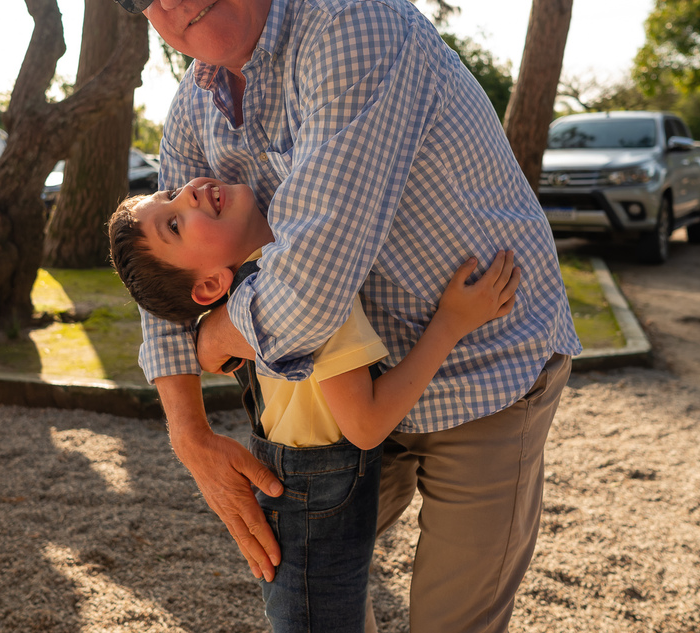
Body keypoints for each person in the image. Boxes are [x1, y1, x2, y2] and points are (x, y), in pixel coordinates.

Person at [95, 0, 581, 632]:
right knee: (304, 595)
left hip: (486, 366)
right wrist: (189, 431)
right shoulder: (192, 109)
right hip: (352, 401)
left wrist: (220, 331)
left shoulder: (352, 30)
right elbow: (161, 279)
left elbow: (313, 287)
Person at [109, 176, 521, 632]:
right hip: (315, 499)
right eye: (174, 225)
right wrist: (451, 322)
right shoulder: (303, 292)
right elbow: (366, 423)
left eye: (169, 195)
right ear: (209, 286)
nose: (186, 192)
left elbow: (212, 353)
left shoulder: (258, 288)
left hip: (301, 488)